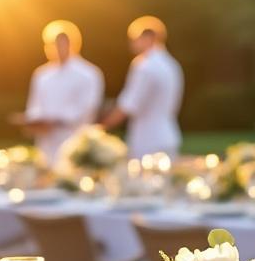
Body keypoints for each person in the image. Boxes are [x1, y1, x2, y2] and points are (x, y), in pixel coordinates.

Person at [19, 20, 104, 165]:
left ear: (73, 44)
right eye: (51, 44)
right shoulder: (42, 75)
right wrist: (35, 120)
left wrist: (57, 120)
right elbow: (34, 105)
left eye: (61, 43)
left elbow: (88, 107)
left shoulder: (88, 74)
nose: (56, 48)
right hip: (45, 142)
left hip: (75, 141)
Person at [103, 15, 183, 158]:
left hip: (147, 139)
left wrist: (103, 127)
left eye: (134, 39)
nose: (131, 43)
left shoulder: (144, 65)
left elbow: (129, 104)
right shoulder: (172, 65)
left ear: (149, 38)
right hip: (169, 134)